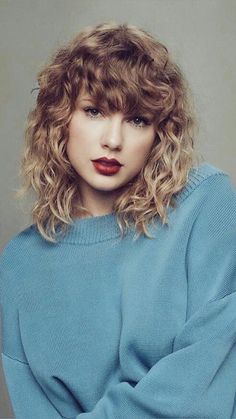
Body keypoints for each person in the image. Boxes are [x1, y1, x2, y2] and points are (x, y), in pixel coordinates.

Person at [0, 21, 236, 419]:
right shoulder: (19, 266)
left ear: (160, 134)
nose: (113, 139)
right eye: (94, 111)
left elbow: (206, 390)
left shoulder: (206, 206)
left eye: (138, 119)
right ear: (61, 119)